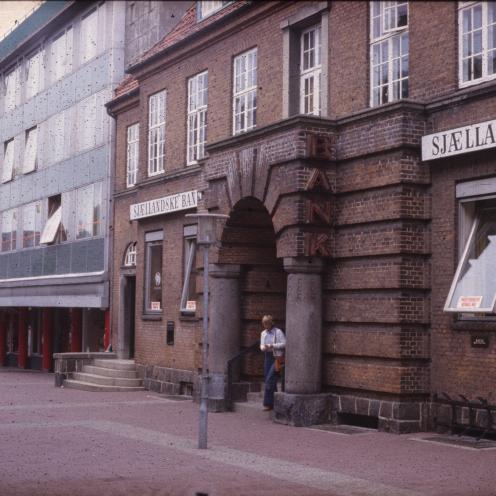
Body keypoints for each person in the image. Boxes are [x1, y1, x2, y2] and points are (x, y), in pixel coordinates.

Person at [259, 314, 286, 411]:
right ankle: (274, 404)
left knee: (270, 379)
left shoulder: (278, 332)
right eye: (264, 324)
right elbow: (261, 345)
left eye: (267, 323)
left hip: (276, 357)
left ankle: (267, 403)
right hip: (267, 357)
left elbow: (284, 344)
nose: (265, 326)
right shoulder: (263, 333)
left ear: (271, 323)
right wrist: (264, 347)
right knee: (270, 380)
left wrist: (272, 345)